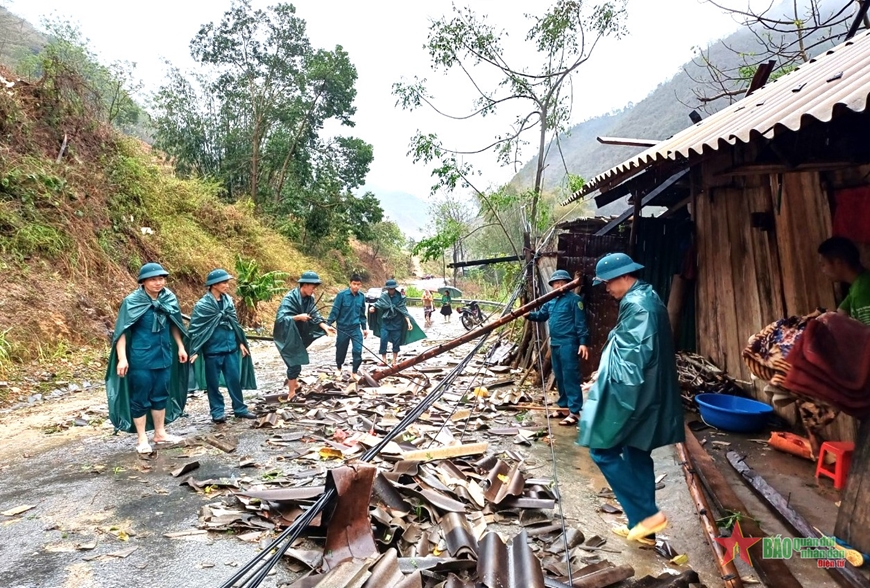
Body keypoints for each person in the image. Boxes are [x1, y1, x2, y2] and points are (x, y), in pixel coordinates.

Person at [577, 253, 684, 546]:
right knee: (637, 453)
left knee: (602, 450)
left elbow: (631, 365)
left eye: (608, 282)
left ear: (625, 276)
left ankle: (647, 515)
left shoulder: (637, 307)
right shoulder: (648, 297)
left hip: (637, 394)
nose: (606, 288)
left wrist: (603, 393)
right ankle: (643, 528)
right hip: (652, 390)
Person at [106, 263, 189, 454]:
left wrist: (181, 346)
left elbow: (174, 324)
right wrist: (122, 358)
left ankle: (160, 433)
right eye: (153, 279)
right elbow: (122, 332)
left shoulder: (168, 298)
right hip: (140, 358)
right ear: (143, 282)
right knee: (140, 397)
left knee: (161, 394)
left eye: (161, 279)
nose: (158, 283)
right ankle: (142, 438)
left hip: (164, 354)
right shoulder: (132, 301)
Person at [188, 269, 257, 424]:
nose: (227, 285)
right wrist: (196, 349)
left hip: (230, 347)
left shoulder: (228, 301)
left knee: (234, 379)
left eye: (227, 282)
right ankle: (217, 412)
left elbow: (234, 323)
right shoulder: (203, 305)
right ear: (214, 285)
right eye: (224, 282)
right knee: (212, 383)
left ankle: (240, 409)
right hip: (213, 350)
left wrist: (240, 342)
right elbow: (197, 329)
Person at [526, 269, 590, 426]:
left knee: (570, 376)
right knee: (560, 376)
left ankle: (574, 411)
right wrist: (528, 315)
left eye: (561, 283)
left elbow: (581, 323)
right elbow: (542, 315)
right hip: (555, 343)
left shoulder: (575, 300)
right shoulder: (550, 301)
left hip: (569, 343)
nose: (558, 286)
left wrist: (583, 342)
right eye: (555, 284)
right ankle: (563, 408)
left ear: (568, 284)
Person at [274, 271, 336, 399]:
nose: (313, 290)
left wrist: (325, 327)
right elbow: (281, 319)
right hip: (287, 333)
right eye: (312, 287)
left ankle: (294, 384)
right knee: (294, 362)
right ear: (305, 285)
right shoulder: (289, 299)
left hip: (300, 333)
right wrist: (297, 317)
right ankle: (291, 394)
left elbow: (314, 314)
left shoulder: (309, 299)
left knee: (296, 358)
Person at [369, 279, 426, 366]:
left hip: (397, 323)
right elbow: (378, 304)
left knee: (396, 342)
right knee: (383, 340)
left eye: (392, 289)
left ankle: (394, 360)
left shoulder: (400, 297)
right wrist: (373, 308)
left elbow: (403, 310)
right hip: (386, 322)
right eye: (389, 289)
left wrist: (409, 323)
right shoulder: (384, 296)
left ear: (395, 288)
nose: (391, 290)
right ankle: (384, 360)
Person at [818, 237, 870, 325]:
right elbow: (839, 313)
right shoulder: (859, 283)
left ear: (838, 263)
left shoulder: (862, 290)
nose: (823, 270)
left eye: (823, 265)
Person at [327, 274, 369, 374]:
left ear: (360, 285)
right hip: (342, 328)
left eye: (358, 284)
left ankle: (354, 372)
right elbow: (335, 311)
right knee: (341, 350)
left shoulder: (361, 297)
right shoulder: (341, 295)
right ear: (350, 283)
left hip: (355, 328)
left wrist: (364, 328)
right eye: (354, 284)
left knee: (357, 350)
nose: (356, 286)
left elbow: (362, 314)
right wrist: (327, 325)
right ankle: (339, 368)